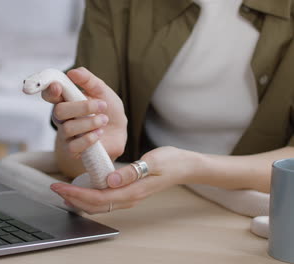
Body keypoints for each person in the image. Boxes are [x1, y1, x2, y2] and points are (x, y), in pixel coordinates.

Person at [42, 0, 294, 214]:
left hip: (263, 211)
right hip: (148, 206)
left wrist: (191, 168)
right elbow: (71, 162)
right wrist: (94, 148)